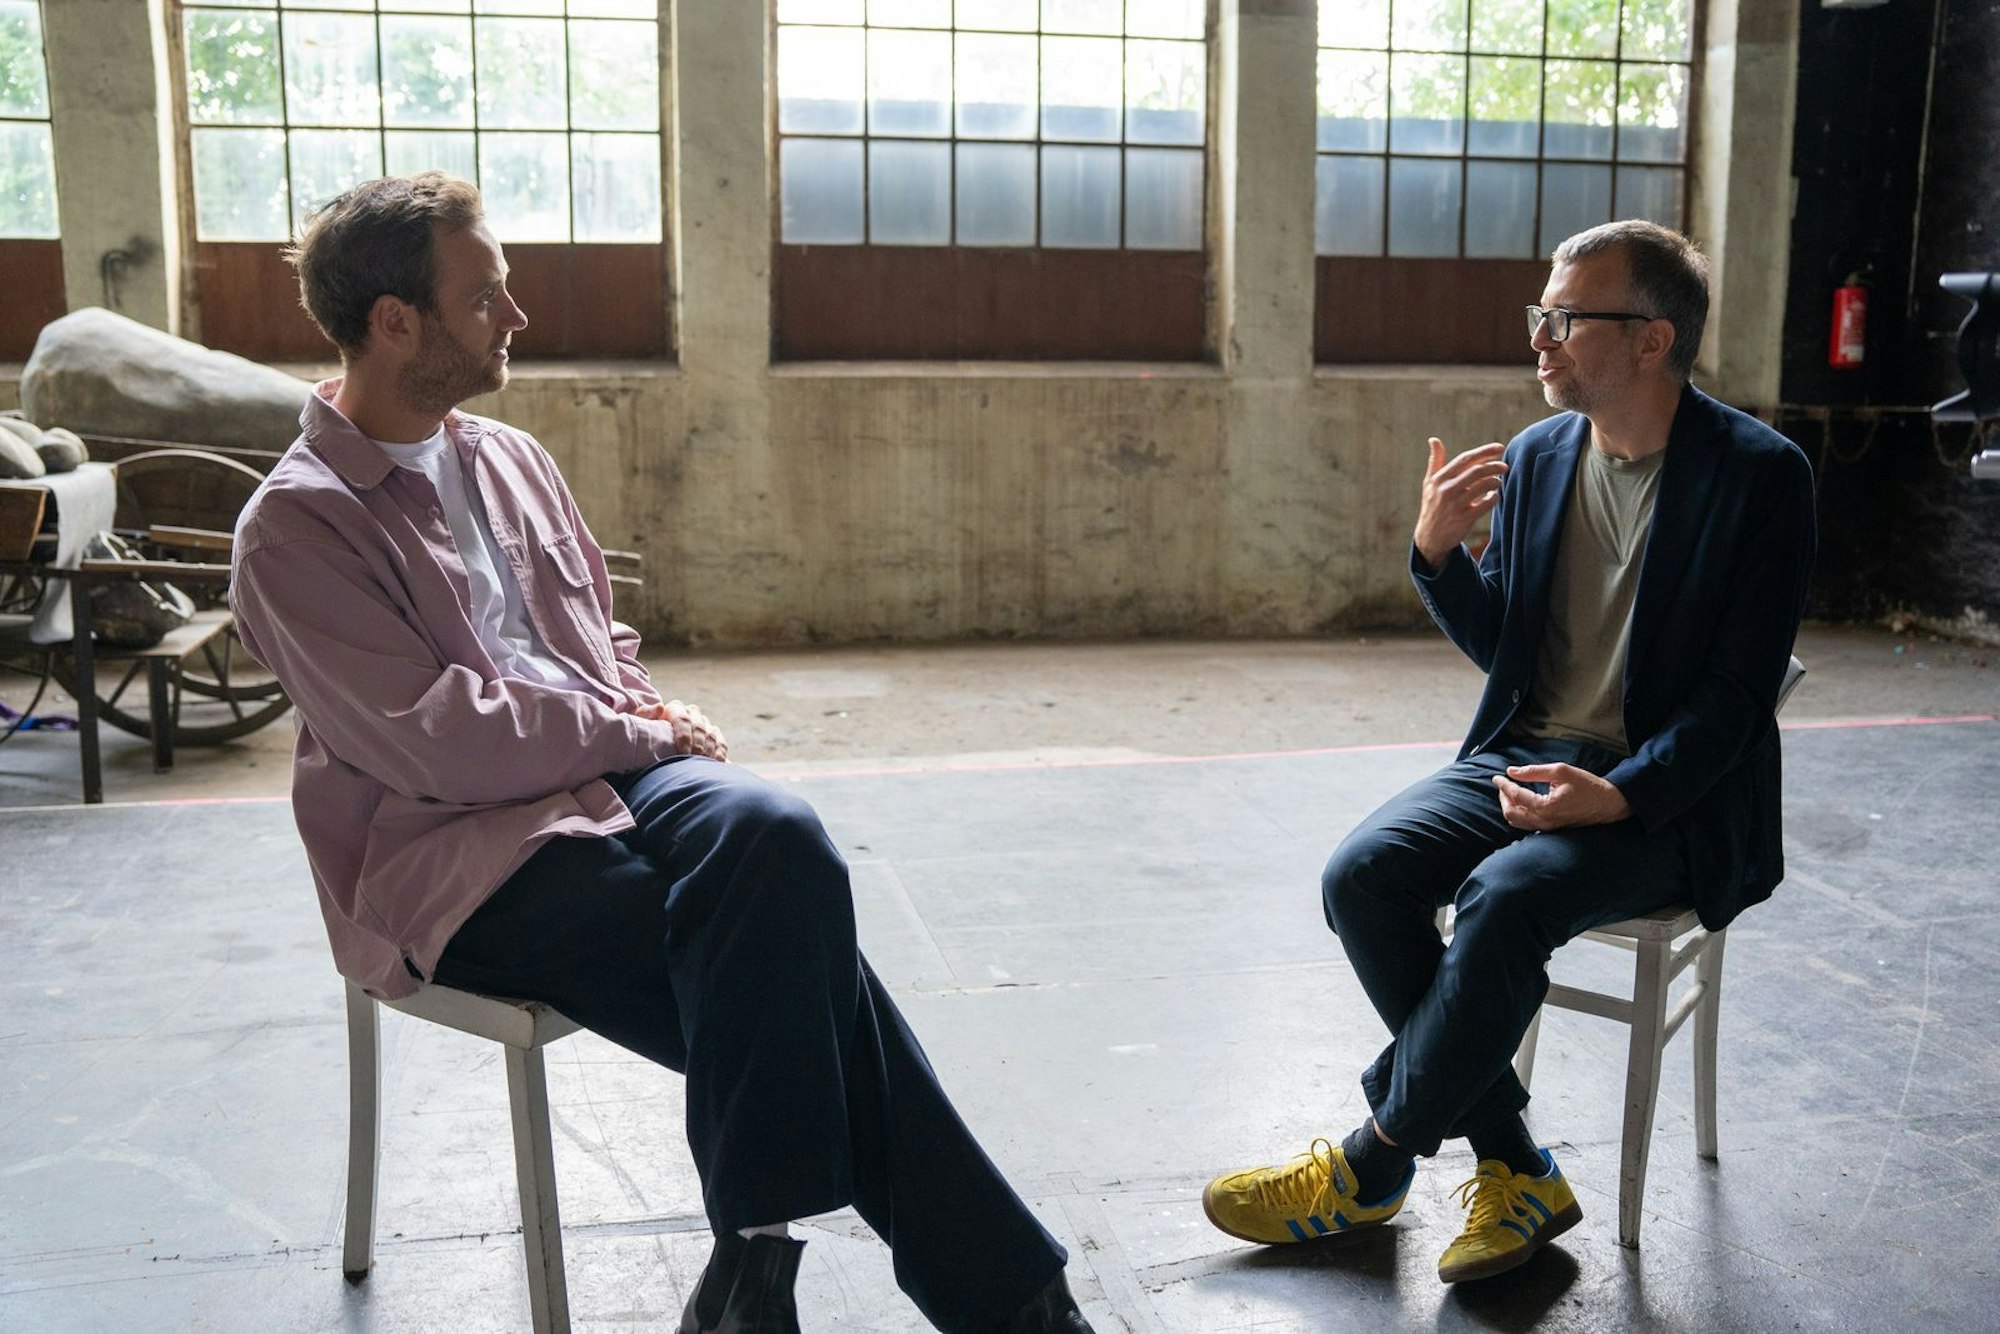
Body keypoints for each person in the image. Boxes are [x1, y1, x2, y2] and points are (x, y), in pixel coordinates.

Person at [229, 173, 1093, 1334]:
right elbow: (432, 740)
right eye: (485, 297)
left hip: (617, 771)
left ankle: (752, 1270)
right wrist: (635, 726)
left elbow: (588, 630)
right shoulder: (297, 525)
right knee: (804, 982)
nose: (515, 316)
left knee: (779, 839)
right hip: (453, 856)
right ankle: (1019, 1310)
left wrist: (639, 712)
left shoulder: (507, 457)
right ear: (396, 323)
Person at [1201, 221, 1817, 1283]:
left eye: (1567, 316)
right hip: (1524, 753)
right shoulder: (1539, 456)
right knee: (1362, 876)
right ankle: (1513, 1161)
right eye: (1542, 310)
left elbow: (1731, 703)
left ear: (1648, 340)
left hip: (1670, 801)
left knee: (1503, 895)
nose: (1540, 336)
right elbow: (1513, 653)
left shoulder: (1760, 475)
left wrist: (1615, 795)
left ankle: (1370, 1160)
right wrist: (1435, 558)